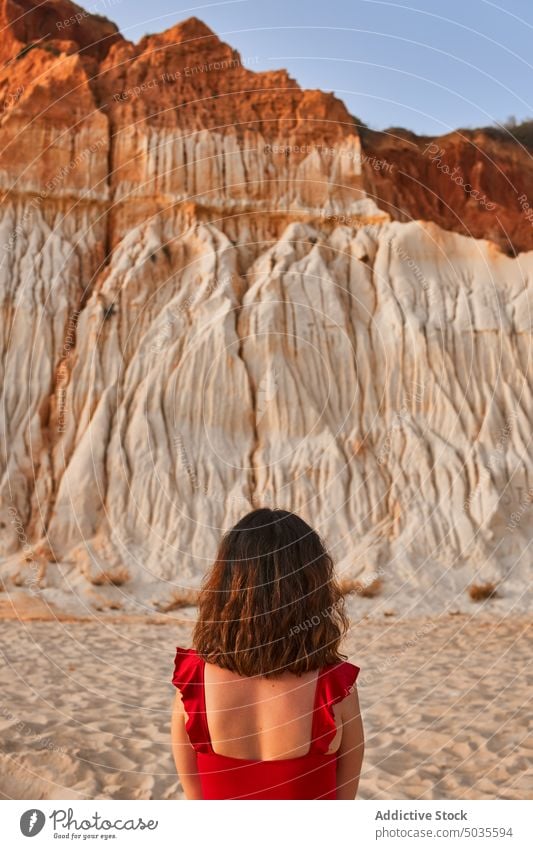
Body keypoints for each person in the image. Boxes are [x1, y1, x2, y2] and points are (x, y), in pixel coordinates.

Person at [171, 507, 364, 799]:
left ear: (226, 586)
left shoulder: (192, 681)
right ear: (313, 589)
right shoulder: (335, 686)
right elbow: (344, 801)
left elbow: (195, 798)